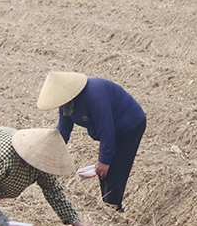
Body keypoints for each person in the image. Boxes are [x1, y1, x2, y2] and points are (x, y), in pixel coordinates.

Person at [37, 72, 146, 213]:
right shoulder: (66, 104)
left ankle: (113, 210)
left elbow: (106, 129)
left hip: (129, 124)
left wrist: (104, 160)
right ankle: (110, 206)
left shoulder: (93, 96)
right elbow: (63, 131)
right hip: (110, 129)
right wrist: (49, 156)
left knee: (113, 170)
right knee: (105, 171)